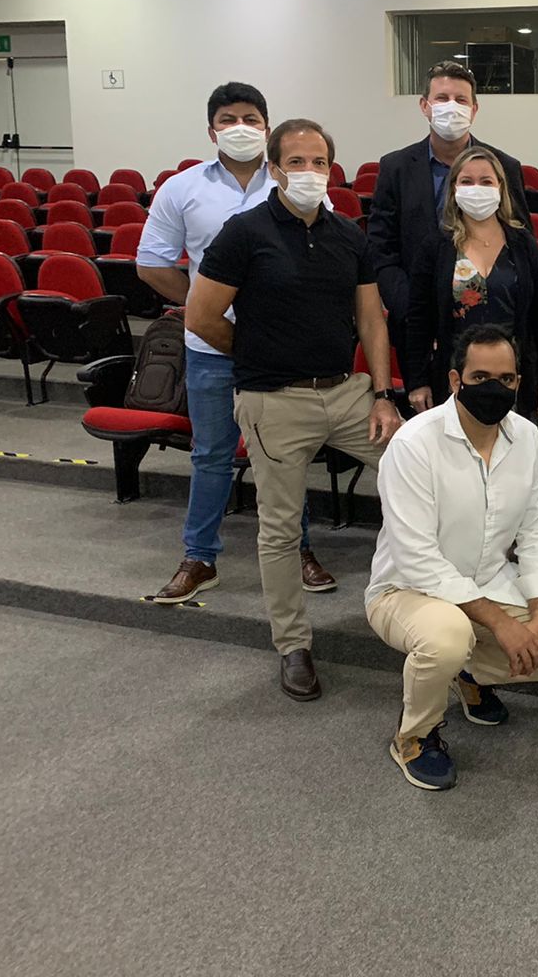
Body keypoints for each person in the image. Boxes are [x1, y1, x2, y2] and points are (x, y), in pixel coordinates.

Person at [186, 118, 404, 701]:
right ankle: (293, 645)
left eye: (319, 163)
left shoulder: (348, 235)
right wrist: (257, 355)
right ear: (275, 170)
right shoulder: (244, 232)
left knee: (420, 469)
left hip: (346, 392)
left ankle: (423, 607)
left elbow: (370, 320)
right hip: (274, 400)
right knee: (280, 529)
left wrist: (383, 395)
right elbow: (201, 317)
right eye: (297, 162)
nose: (310, 172)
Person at [366, 324, 538, 791]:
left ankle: (466, 672)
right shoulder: (414, 444)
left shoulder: (526, 437)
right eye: (480, 378)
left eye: (506, 379)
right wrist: (502, 624)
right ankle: (414, 736)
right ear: (455, 380)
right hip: (406, 590)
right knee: (447, 637)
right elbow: (418, 558)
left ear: (518, 381)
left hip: (490, 580)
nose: (494, 388)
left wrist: (537, 618)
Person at [135, 82, 335, 606]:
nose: (240, 128)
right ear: (211, 131)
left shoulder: (298, 183)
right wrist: (205, 305)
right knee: (211, 455)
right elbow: (152, 263)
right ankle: (199, 557)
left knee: (285, 455)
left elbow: (319, 255)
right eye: (228, 120)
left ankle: (299, 549)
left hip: (279, 349)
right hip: (211, 347)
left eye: (251, 119)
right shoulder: (181, 188)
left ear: (267, 128)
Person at [367, 60, 531, 330]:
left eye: (461, 100)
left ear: (474, 110)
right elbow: (382, 248)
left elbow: (521, 245)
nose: (451, 106)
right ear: (425, 106)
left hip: (492, 322)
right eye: (442, 98)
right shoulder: (396, 168)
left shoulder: (505, 167)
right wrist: (412, 310)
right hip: (415, 320)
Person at [403, 146, 538, 423]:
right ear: (454, 189)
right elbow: (418, 318)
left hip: (514, 374)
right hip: (455, 374)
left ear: (500, 188)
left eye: (486, 181)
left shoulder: (522, 243)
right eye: (467, 181)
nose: (476, 188)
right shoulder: (436, 246)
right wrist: (417, 381)